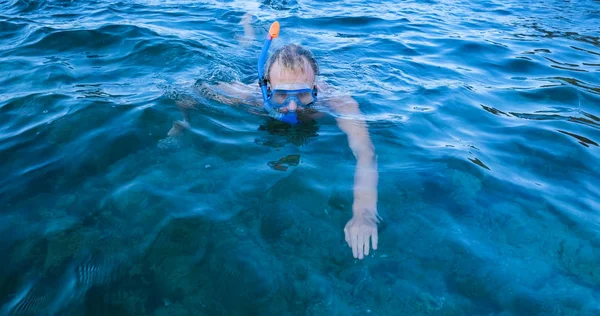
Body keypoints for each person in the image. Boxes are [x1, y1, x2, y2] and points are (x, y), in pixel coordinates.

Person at [167, 17, 380, 260]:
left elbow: (365, 152)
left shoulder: (338, 101)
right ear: (266, 89)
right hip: (251, 73)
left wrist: (364, 212)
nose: (291, 107)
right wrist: (183, 122)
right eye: (281, 96)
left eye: (302, 94)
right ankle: (248, 28)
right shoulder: (248, 95)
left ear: (316, 89)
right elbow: (192, 91)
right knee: (244, 46)